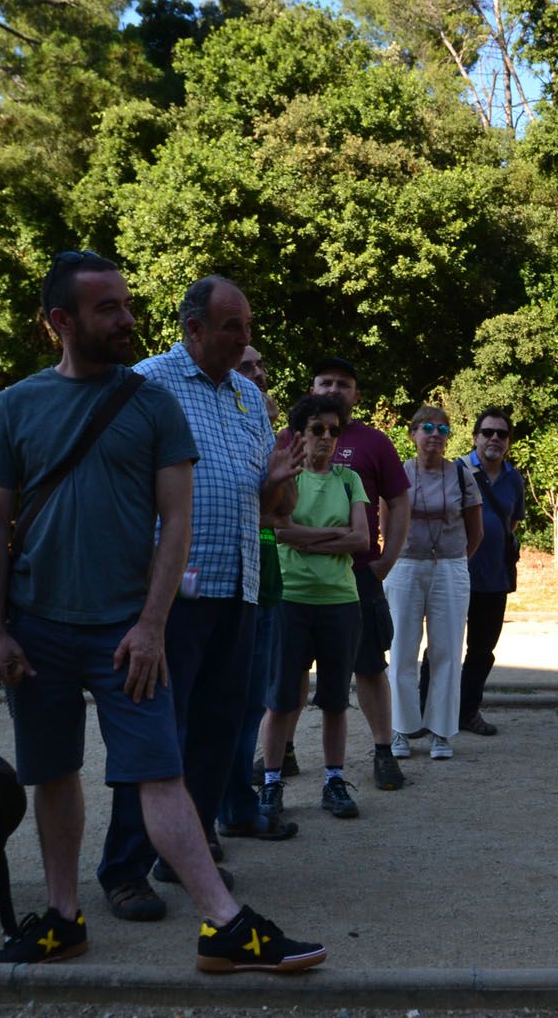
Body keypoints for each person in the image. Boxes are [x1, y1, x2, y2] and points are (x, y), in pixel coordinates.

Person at [0, 250, 323, 972]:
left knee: (162, 766)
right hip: (37, 628)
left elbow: (177, 519)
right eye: (109, 309)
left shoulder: (151, 403)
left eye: (128, 305)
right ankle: (64, 918)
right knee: (56, 772)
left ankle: (222, 922)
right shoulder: (18, 405)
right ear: (62, 321)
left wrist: (152, 623)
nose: (128, 318)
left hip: (129, 629)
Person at [95, 276, 305, 922]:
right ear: (193, 329)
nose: (245, 339)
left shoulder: (250, 397)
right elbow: (119, 484)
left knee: (219, 729)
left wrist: (274, 482)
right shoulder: (146, 382)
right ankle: (124, 868)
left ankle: (187, 848)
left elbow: (267, 505)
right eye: (231, 327)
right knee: (154, 734)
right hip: (171, 592)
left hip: (238, 585)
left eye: (247, 326)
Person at [268, 358, 412, 792]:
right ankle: (281, 758)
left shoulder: (373, 443)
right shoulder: (287, 443)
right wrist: (326, 537)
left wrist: (386, 560)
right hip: (293, 589)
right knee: (288, 677)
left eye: (343, 384)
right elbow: (274, 520)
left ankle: (382, 752)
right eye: (325, 381)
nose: (333, 389)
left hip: (355, 581)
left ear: (356, 395)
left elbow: (397, 502)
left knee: (367, 667)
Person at [258, 394, 370, 823]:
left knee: (336, 701)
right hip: (291, 598)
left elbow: (362, 539)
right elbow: (280, 530)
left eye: (333, 430)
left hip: (341, 600)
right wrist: (330, 535)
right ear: (299, 435)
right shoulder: (290, 478)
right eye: (317, 429)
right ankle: (271, 783)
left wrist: (307, 537)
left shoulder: (349, 479)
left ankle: (334, 780)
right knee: (282, 698)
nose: (326, 438)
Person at [219, 345, 301, 842]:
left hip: (265, 580)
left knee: (253, 702)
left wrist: (272, 475)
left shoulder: (267, 429)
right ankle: (197, 821)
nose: (259, 373)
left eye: (261, 365)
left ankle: (237, 808)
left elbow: (284, 508)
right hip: (220, 581)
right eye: (246, 365)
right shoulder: (211, 422)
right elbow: (240, 507)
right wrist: (264, 507)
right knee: (215, 705)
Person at [387, 407, 483, 760]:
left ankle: (441, 733)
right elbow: (387, 524)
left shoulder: (462, 475)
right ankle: (401, 730)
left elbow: (477, 531)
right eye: (427, 427)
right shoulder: (399, 473)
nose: (435, 434)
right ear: (413, 433)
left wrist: (454, 562)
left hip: (449, 568)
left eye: (442, 428)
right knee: (401, 651)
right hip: (407, 566)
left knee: (446, 650)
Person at [456, 408, 525, 736]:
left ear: (509, 442)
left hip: (495, 579)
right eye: (487, 432)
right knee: (443, 648)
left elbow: (511, 523)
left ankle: (467, 712)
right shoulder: (456, 471)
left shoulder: (515, 479)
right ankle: (430, 714)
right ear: (475, 437)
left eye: (502, 433)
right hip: (455, 577)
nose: (494, 438)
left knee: (482, 652)